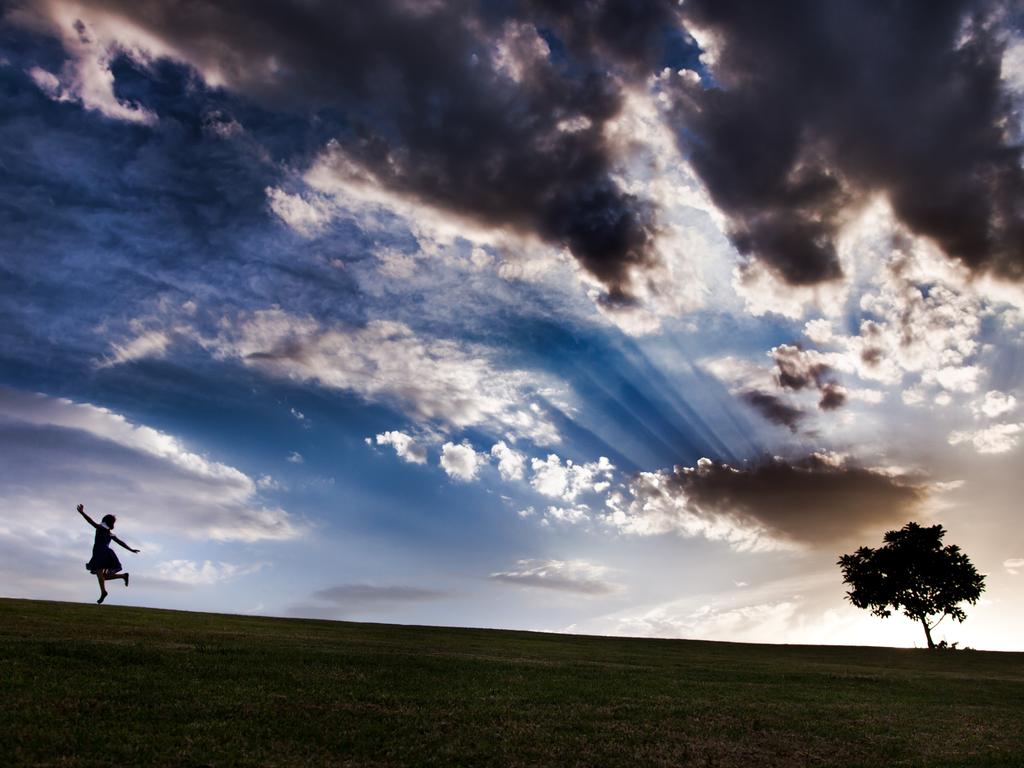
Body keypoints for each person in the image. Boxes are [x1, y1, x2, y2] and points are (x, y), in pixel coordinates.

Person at [77, 503, 140, 604]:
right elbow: (121, 542)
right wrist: (131, 549)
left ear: (104, 521)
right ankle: (123, 576)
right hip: (107, 553)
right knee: (103, 576)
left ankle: (103, 592)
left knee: (99, 573)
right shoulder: (109, 532)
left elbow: (91, 522)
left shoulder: (101, 528)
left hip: (100, 553)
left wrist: (82, 513)